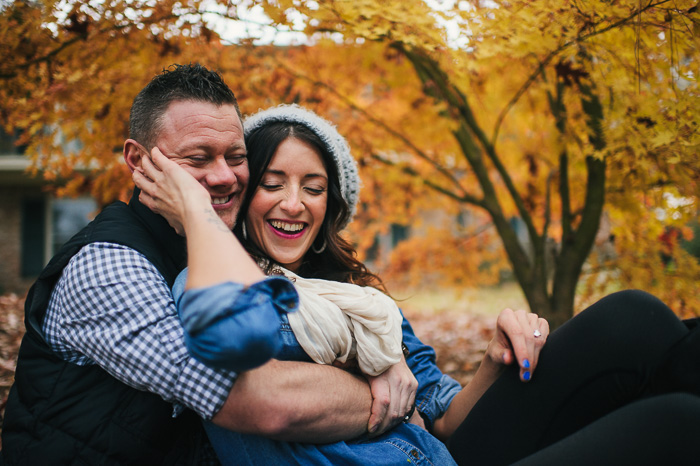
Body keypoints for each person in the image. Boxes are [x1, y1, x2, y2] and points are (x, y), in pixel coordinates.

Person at [136, 103, 700, 465]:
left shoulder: (366, 305)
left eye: (313, 187)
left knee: (636, 319)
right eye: (273, 183)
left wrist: (493, 358)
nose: (293, 203)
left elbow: (446, 419)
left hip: (440, 456)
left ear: (331, 205)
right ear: (241, 194)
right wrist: (198, 212)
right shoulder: (215, 288)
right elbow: (260, 394)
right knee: (675, 425)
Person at [0, 65, 397, 464]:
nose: (225, 176)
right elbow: (264, 399)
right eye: (198, 158)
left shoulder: (211, 249)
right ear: (137, 161)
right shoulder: (107, 266)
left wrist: (383, 357)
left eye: (236, 157)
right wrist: (383, 393)